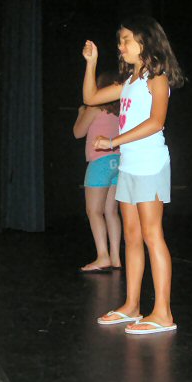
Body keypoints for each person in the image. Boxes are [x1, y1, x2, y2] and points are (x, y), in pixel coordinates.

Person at [81, 15, 184, 334]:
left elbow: (156, 122)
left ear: (145, 42)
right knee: (131, 236)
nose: (121, 46)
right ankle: (132, 305)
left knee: (152, 235)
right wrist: (91, 63)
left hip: (150, 163)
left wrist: (113, 141)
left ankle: (163, 313)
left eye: (126, 39)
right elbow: (90, 98)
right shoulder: (128, 82)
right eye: (120, 41)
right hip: (128, 164)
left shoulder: (157, 78)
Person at [73, 72, 122, 273]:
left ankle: (103, 256)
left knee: (94, 211)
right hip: (118, 161)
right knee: (111, 211)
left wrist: (81, 113)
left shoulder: (94, 107)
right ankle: (116, 257)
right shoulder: (120, 109)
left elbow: (78, 132)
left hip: (100, 162)